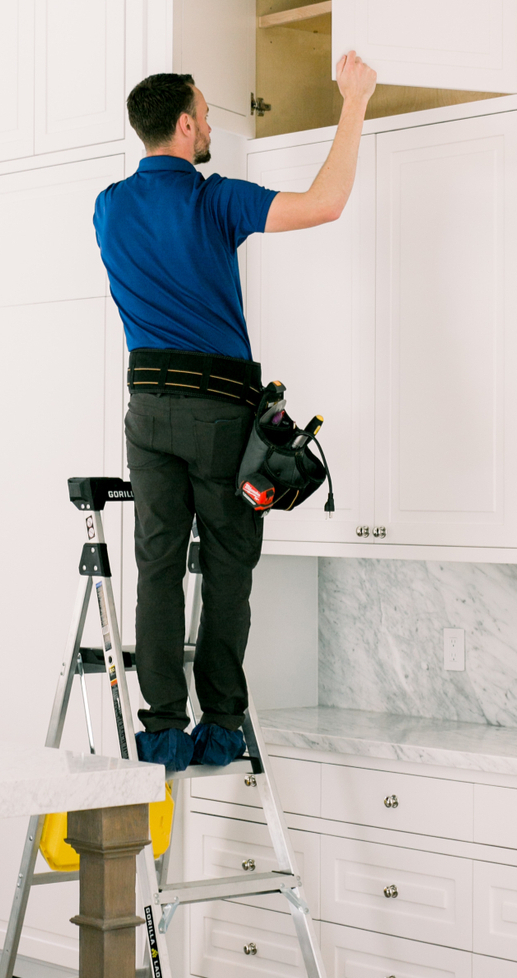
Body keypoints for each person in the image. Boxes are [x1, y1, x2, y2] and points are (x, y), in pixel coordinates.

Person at [93, 52, 377, 771]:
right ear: (186, 126)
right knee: (226, 569)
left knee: (156, 566)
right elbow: (327, 202)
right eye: (209, 114)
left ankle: (159, 731)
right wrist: (354, 102)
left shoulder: (109, 205)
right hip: (218, 411)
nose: (213, 123)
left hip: (147, 409)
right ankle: (220, 725)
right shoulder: (215, 200)